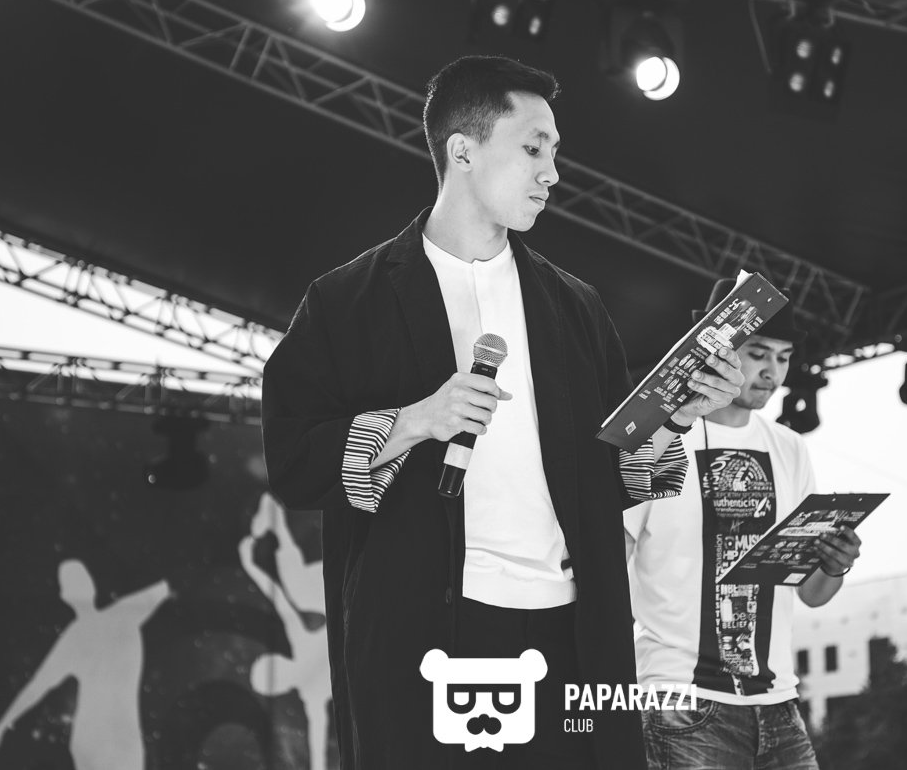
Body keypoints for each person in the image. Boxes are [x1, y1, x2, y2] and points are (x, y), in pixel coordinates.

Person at [260, 55, 743, 770]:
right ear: (462, 150)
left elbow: (613, 478)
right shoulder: (348, 300)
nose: (553, 173)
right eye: (533, 149)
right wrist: (418, 419)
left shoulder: (573, 305)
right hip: (431, 630)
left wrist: (675, 417)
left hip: (576, 631)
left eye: (555, 153)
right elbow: (294, 461)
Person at [624, 281, 863, 770]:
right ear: (718, 350)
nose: (772, 371)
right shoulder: (660, 440)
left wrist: (835, 565)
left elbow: (811, 594)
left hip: (778, 703)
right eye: (758, 353)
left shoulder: (790, 447)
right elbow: (606, 563)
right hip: (681, 698)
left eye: (784, 357)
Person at [0, 560, 170, 770]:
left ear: (65, 595)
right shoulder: (121, 615)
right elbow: (36, 687)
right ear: (90, 587)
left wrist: (2, 725)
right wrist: (2, 724)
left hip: (105, 741)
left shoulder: (84, 632)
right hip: (111, 742)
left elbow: (36, 687)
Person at [241, 493, 331, 770]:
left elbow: (279, 598)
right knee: (296, 587)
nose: (276, 662)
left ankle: (275, 516)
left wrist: (251, 567)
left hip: (320, 588)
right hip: (337, 593)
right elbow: (318, 733)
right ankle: (275, 519)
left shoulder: (297, 644)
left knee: (295, 586)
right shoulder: (311, 692)